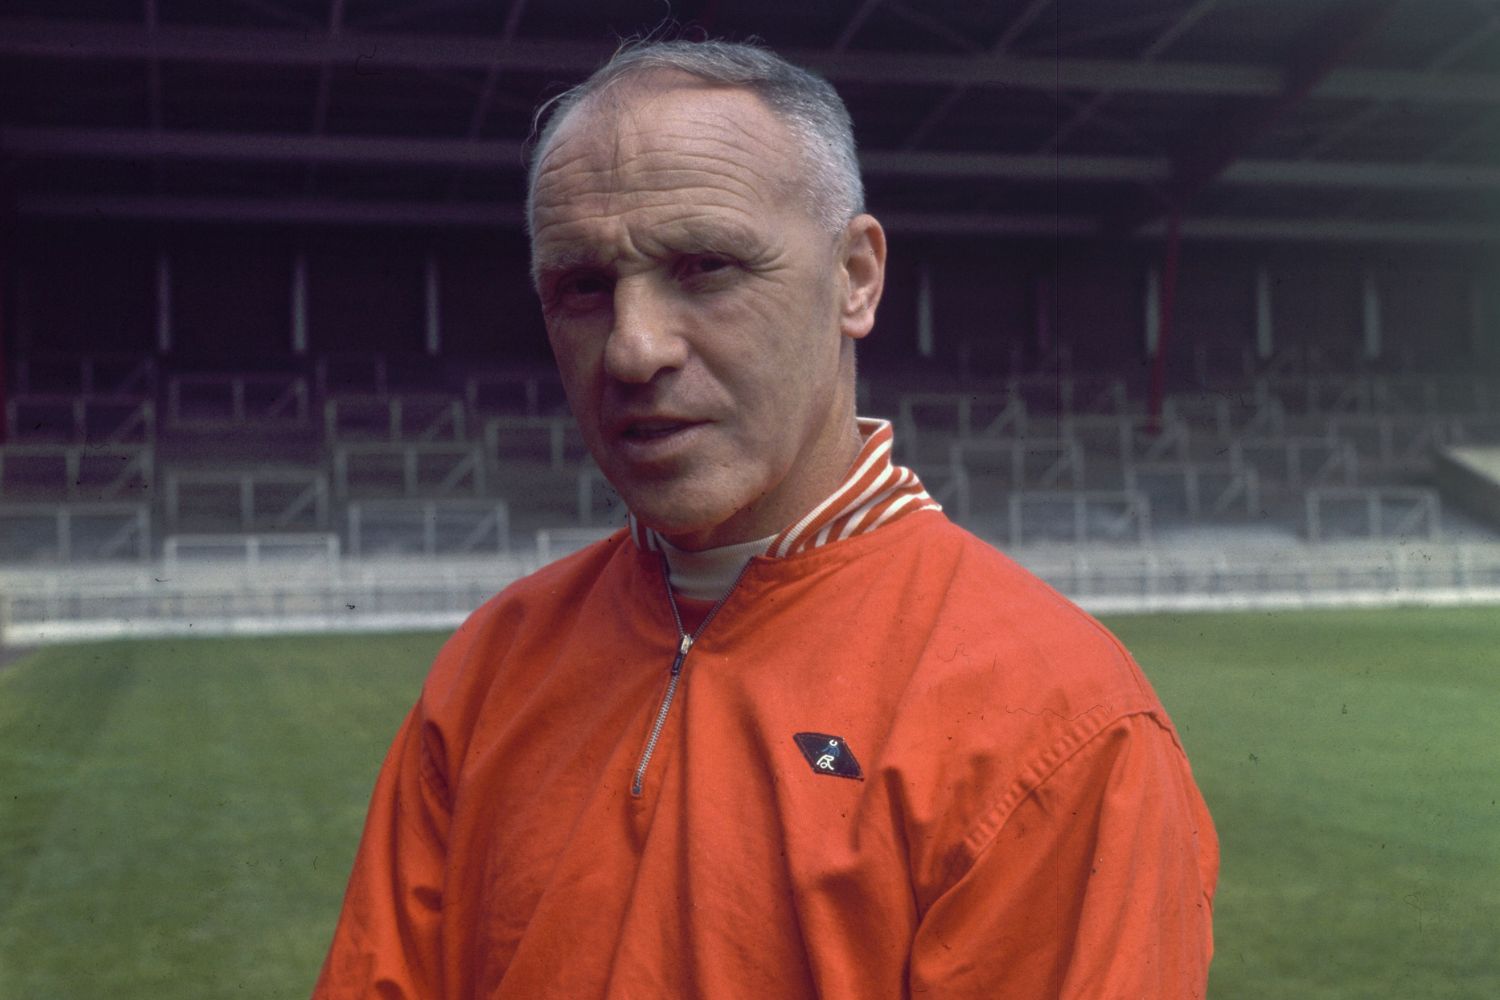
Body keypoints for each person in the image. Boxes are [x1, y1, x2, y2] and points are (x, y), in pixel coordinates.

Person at [314, 38, 1218, 999]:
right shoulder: (489, 668)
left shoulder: (1060, 722)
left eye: (705, 266)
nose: (633, 349)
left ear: (855, 278)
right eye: (583, 286)